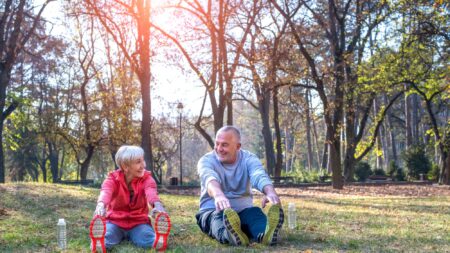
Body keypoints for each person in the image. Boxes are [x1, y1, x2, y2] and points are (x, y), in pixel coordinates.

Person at [196, 126, 284, 246]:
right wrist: (218, 195)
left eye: (224, 145)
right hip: (212, 211)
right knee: (217, 219)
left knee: (255, 214)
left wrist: (270, 192)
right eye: (217, 144)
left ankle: (266, 234)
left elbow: (258, 175)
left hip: (243, 212)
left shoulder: (249, 159)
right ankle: (229, 235)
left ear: (237, 147)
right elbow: (209, 179)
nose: (219, 149)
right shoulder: (206, 161)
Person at [93, 145, 170, 251]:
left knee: (147, 238)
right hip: (115, 222)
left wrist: (158, 205)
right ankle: (99, 243)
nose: (143, 165)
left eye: (143, 160)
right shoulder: (112, 179)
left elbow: (151, 192)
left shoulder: (147, 179)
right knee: (108, 237)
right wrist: (100, 205)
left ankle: (158, 241)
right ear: (125, 166)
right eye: (138, 162)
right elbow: (106, 192)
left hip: (139, 222)